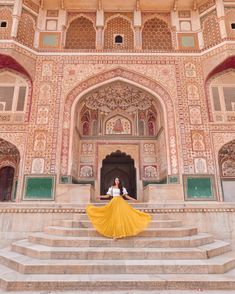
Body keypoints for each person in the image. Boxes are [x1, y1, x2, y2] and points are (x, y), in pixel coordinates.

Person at [86, 177, 151, 239]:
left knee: (121, 216)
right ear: (114, 181)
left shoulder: (122, 188)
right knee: (114, 217)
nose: (117, 181)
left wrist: (134, 199)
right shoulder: (111, 188)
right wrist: (100, 196)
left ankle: (119, 233)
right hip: (113, 202)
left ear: (119, 181)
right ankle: (114, 234)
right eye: (116, 180)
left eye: (118, 180)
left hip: (121, 202)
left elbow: (126, 196)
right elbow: (107, 196)